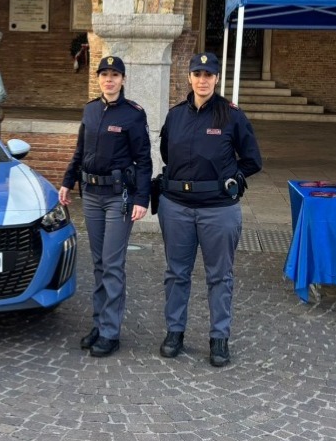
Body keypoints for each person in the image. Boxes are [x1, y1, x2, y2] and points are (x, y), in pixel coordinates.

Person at [156, 52, 262, 367]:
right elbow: (166, 153)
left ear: (217, 79)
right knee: (176, 273)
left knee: (220, 276)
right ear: (189, 77)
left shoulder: (232, 116)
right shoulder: (175, 115)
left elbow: (253, 160)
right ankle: (174, 332)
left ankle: (219, 338)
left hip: (218, 209)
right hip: (176, 207)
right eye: (197, 73)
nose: (203, 80)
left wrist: (235, 179)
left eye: (209, 75)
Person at [59, 56, 151, 358]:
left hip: (117, 198)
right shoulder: (90, 109)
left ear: (123, 79)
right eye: (104, 74)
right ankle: (98, 324)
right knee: (98, 263)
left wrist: (141, 198)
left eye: (115, 75)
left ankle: (111, 332)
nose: (109, 80)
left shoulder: (133, 115)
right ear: (98, 78)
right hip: (92, 195)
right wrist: (67, 182)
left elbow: (143, 160)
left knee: (112, 264)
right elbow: (79, 151)